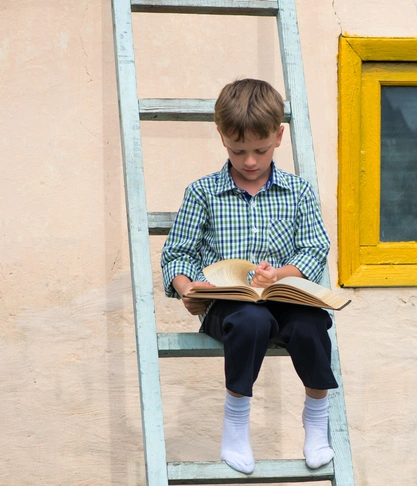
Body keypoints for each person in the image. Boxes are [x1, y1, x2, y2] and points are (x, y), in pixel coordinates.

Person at [160, 78, 338, 475]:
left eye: (260, 149)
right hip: (231, 310)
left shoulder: (298, 191)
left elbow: (314, 248)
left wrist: (280, 275)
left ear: (279, 135)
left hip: (285, 300)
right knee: (252, 319)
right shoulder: (202, 193)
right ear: (221, 136)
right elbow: (177, 253)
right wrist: (187, 289)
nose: (251, 161)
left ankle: (315, 418)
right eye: (239, 150)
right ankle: (236, 424)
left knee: (312, 325)